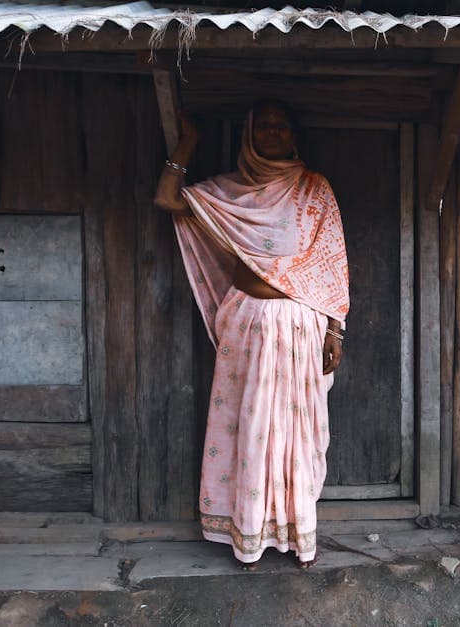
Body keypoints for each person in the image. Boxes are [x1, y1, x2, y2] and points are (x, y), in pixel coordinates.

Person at [153, 100, 349, 570]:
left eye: (281, 125)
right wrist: (188, 142)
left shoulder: (313, 189)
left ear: (294, 134)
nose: (272, 132)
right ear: (248, 134)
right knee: (251, 427)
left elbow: (332, 263)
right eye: (263, 125)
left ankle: (298, 533)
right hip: (247, 323)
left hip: (300, 328)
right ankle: (249, 535)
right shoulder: (229, 192)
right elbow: (168, 199)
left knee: (296, 434)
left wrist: (335, 329)